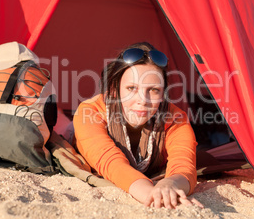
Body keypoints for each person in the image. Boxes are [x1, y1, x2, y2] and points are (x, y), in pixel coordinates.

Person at [73, 42, 203, 209]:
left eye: (154, 90)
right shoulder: (90, 112)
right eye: (131, 88)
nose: (143, 100)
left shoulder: (175, 118)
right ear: (114, 90)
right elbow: (112, 164)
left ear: (163, 94)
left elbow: (184, 164)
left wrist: (169, 184)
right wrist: (152, 195)